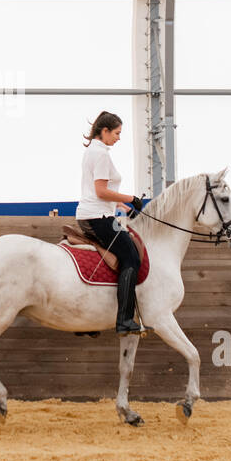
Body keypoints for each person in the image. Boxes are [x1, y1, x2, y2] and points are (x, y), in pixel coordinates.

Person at [75, 111, 148, 335]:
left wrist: (125, 209)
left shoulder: (94, 152)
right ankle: (124, 319)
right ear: (104, 131)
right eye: (116, 133)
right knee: (131, 258)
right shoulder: (101, 155)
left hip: (96, 214)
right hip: (99, 218)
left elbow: (99, 194)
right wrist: (131, 198)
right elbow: (101, 191)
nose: (118, 138)